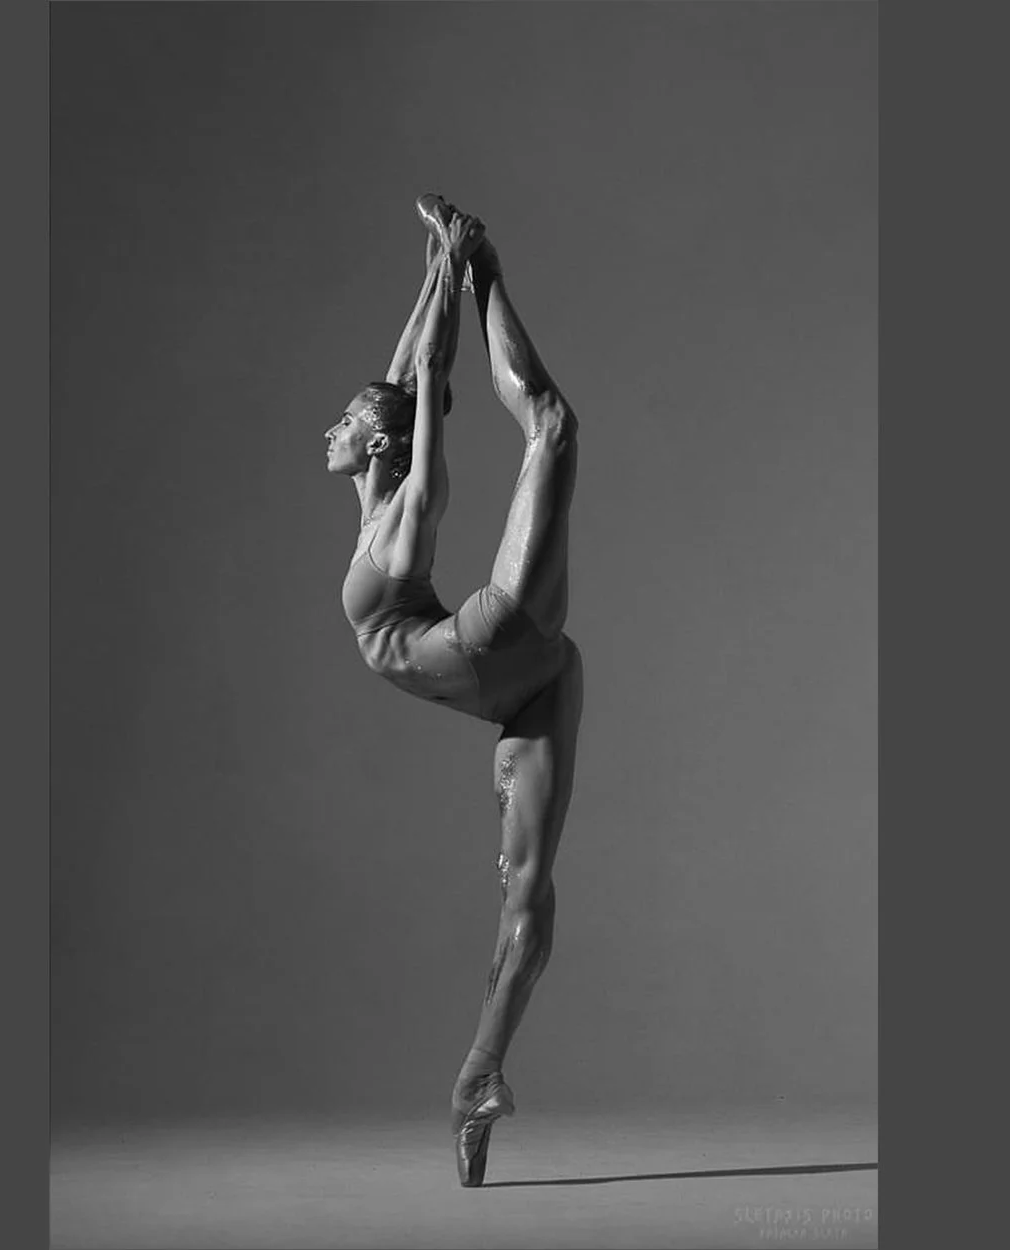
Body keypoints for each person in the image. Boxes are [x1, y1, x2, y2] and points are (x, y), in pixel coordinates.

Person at [324, 195, 584, 1186]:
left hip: (487, 645)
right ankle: (478, 1078)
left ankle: (494, 275)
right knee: (527, 895)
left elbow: (420, 385)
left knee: (551, 428)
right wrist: (436, 270)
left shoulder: (406, 514)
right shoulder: (374, 495)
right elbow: (405, 373)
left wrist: (472, 271)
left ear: (384, 444)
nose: (330, 427)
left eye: (345, 422)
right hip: (508, 682)